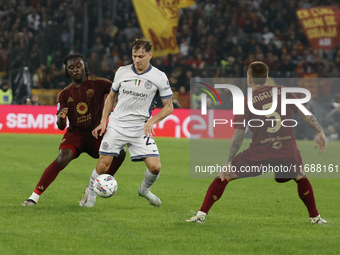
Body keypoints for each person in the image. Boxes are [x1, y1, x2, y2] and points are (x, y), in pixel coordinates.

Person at [187, 61, 328, 224]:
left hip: (260, 154)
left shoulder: (245, 102)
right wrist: (319, 131)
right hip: (286, 151)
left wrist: (228, 161)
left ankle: (201, 215)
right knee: (299, 175)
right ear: (267, 78)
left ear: (249, 79)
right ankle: (315, 218)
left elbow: (239, 134)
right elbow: (304, 111)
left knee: (224, 175)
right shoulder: (283, 91)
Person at [21, 53, 126, 206]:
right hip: (76, 134)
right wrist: (61, 117)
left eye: (79, 66)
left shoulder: (101, 83)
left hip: (97, 134)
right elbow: (61, 126)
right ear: (67, 71)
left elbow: (119, 91)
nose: (75, 69)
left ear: (85, 67)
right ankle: (34, 197)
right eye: (71, 67)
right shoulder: (64, 94)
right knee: (62, 158)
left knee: (120, 153)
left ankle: (95, 186)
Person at [82, 37, 173, 208]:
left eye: (140, 56)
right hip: (117, 125)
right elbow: (111, 97)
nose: (137, 60)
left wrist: (151, 121)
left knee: (155, 168)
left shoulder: (159, 77)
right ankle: (91, 197)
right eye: (134, 56)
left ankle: (144, 190)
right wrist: (103, 121)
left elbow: (169, 107)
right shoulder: (122, 72)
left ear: (150, 55)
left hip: (140, 128)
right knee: (103, 165)